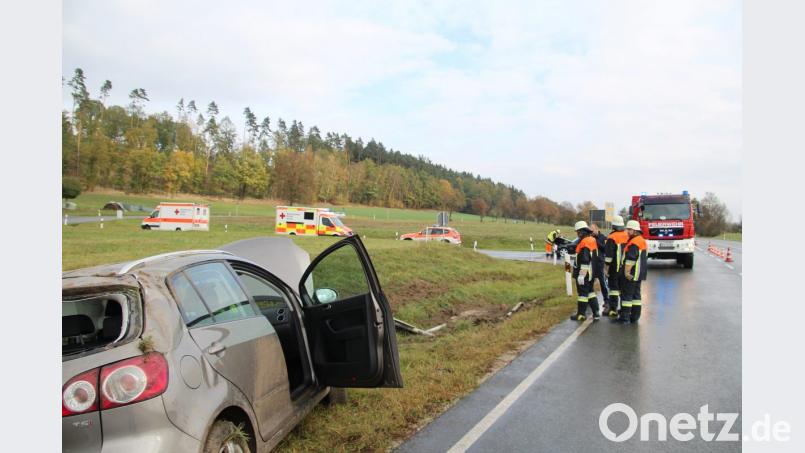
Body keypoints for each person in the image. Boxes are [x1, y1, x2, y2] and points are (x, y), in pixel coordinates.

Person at [570, 221, 600, 321]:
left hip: (585, 273)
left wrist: (581, 275)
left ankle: (581, 314)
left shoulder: (585, 242)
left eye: (578, 232)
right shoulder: (591, 240)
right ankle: (596, 313)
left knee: (582, 294)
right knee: (590, 292)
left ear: (581, 232)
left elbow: (585, 259)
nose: (577, 234)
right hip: (591, 273)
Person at [619, 220, 648, 323]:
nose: (627, 231)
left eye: (630, 230)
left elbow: (630, 259)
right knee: (636, 296)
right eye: (628, 229)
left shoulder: (634, 242)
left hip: (631, 274)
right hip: (639, 274)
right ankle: (635, 317)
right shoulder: (641, 240)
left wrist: (626, 272)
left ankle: (624, 318)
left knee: (627, 296)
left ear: (635, 231)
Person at [589, 224, 609, 304]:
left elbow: (605, 248)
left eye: (592, 230)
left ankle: (606, 300)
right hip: (592, 264)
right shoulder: (589, 238)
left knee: (603, 283)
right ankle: (591, 301)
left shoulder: (603, 237)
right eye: (590, 230)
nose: (591, 232)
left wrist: (595, 241)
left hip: (600, 264)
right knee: (590, 283)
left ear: (597, 229)